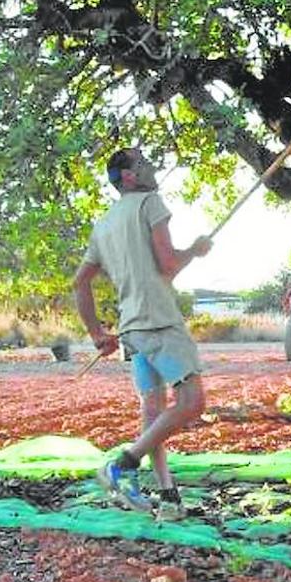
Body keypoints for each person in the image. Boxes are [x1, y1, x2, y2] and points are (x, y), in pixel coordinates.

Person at [73, 147, 212, 518]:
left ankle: (168, 498)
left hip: (132, 327)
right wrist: (195, 251)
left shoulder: (102, 226)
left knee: (153, 410)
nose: (151, 167)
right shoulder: (150, 202)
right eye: (143, 162)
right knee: (191, 402)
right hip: (159, 321)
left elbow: (80, 283)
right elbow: (168, 263)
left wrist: (97, 334)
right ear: (129, 176)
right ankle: (122, 464)